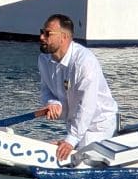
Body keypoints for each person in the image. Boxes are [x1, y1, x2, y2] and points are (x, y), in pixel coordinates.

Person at [35, 13, 119, 162]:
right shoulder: (43, 59)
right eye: (42, 32)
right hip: (75, 124)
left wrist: (71, 139)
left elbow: (87, 105)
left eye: (48, 33)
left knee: (77, 162)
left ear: (64, 37)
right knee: (63, 153)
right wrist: (52, 103)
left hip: (99, 126)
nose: (42, 37)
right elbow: (46, 89)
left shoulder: (85, 62)